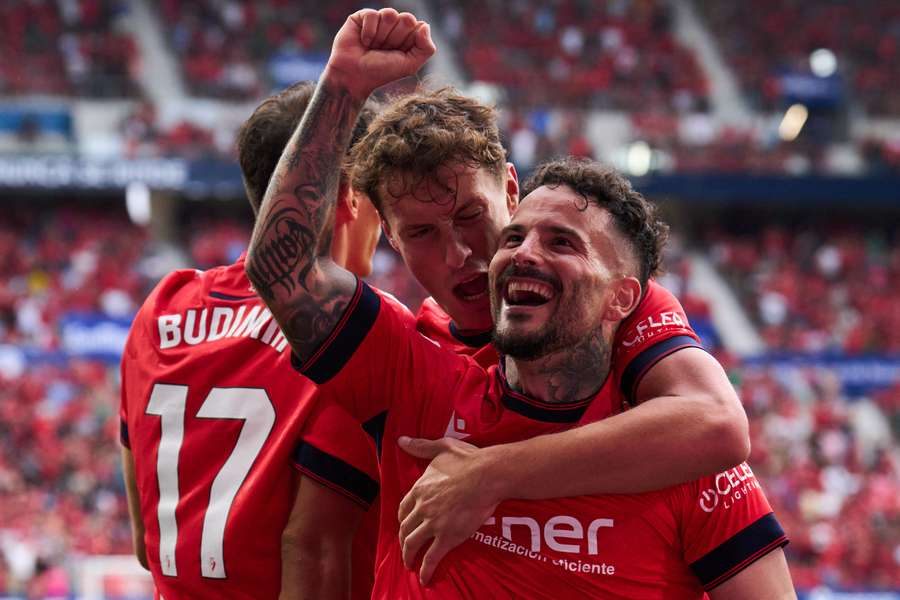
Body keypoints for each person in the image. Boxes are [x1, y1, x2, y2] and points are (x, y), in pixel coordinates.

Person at [246, 8, 794, 597]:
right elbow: (281, 269)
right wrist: (342, 86)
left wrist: (490, 474)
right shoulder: (415, 364)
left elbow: (715, 423)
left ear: (511, 189)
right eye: (423, 235)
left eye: (472, 218)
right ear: (391, 239)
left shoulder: (650, 403)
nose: (459, 255)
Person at [120, 81, 385, 600]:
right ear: (352, 192)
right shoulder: (351, 332)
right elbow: (313, 555)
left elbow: (143, 543)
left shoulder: (161, 309)